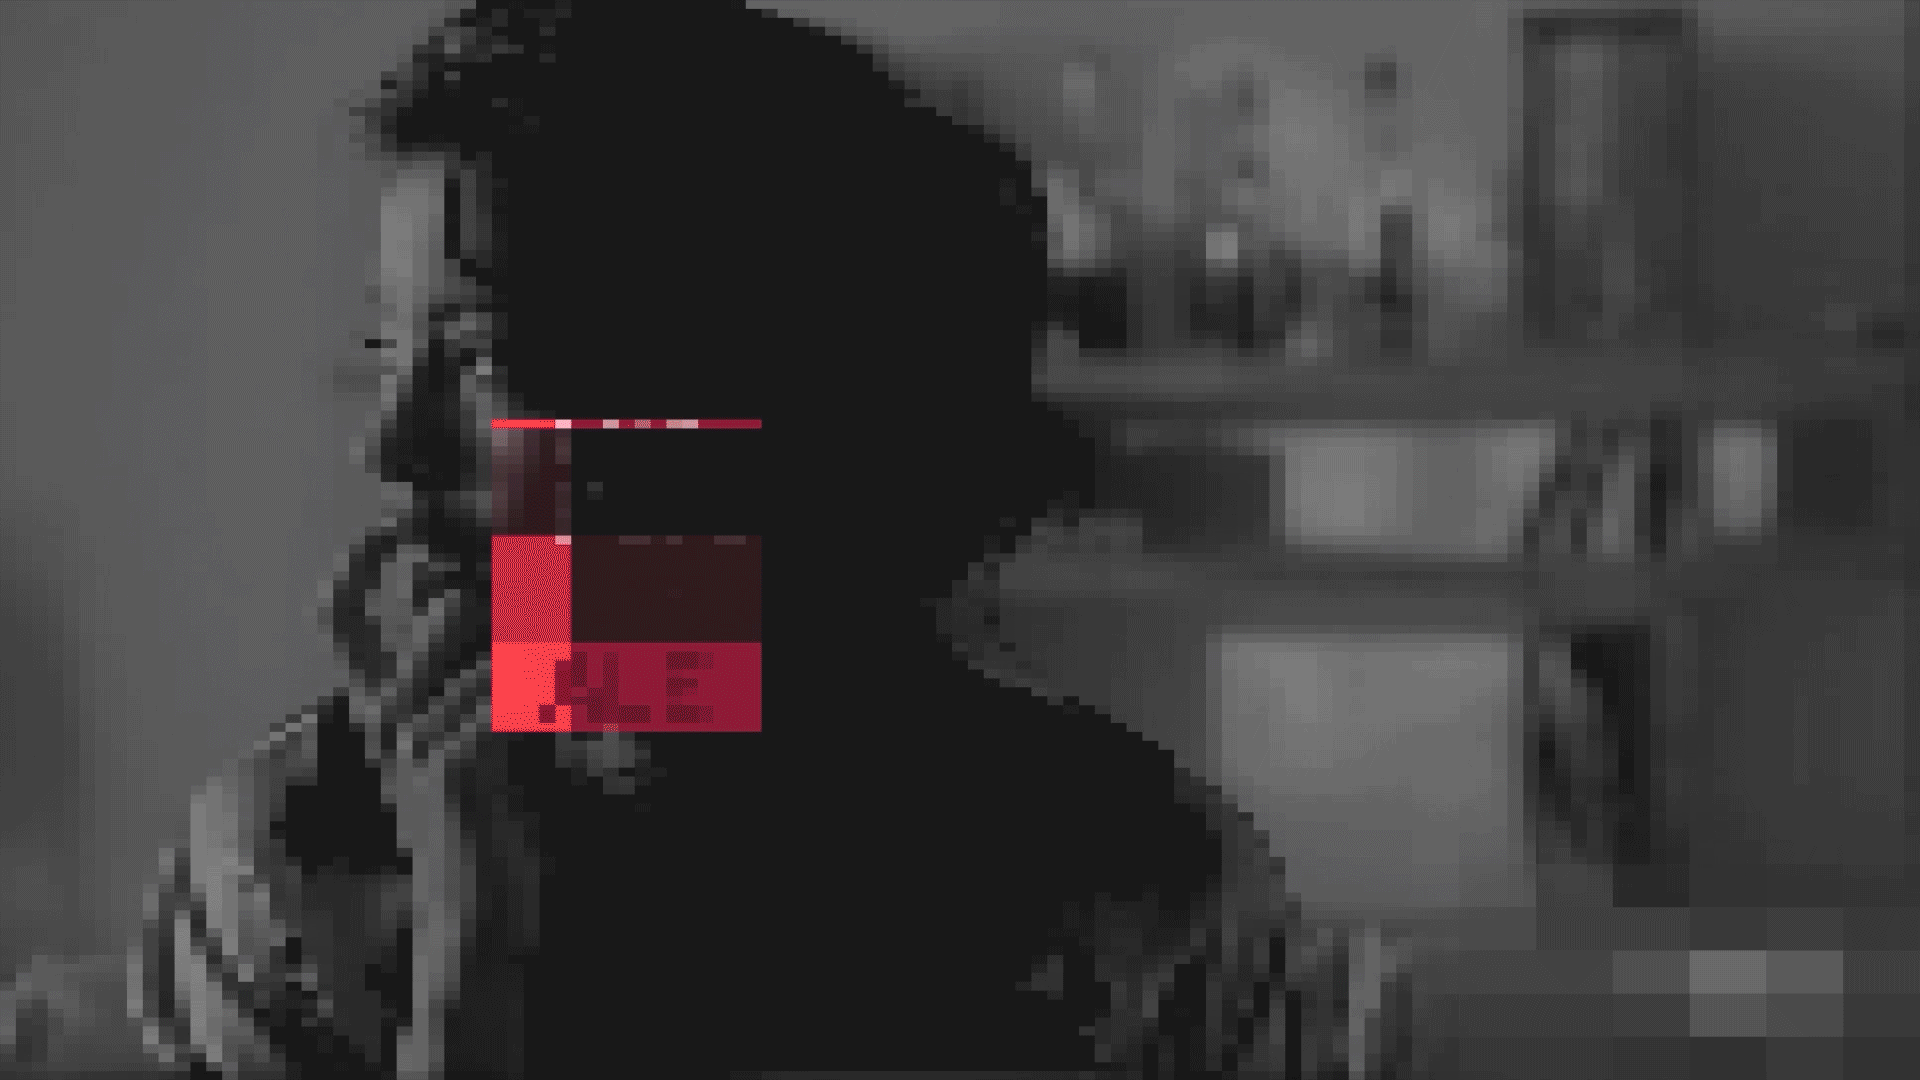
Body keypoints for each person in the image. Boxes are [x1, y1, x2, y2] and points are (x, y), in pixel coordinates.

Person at [6, 3, 1383, 1076]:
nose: (390, 452)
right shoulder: (297, 879)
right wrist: (474, 952)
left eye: (486, 361)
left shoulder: (1144, 901)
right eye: (384, 356)